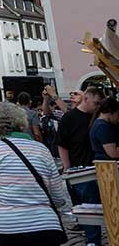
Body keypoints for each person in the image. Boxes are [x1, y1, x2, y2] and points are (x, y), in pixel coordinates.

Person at [0, 101, 72, 245]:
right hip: (45, 227)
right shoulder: (42, 150)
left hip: (7, 228)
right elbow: (59, 198)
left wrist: (3, 190)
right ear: (22, 122)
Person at [56, 86, 104, 246]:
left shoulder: (96, 118)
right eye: (96, 103)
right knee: (83, 208)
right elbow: (62, 144)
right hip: (77, 169)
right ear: (86, 99)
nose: (97, 107)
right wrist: (67, 168)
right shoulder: (70, 118)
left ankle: (93, 240)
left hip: (91, 170)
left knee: (90, 207)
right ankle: (90, 236)